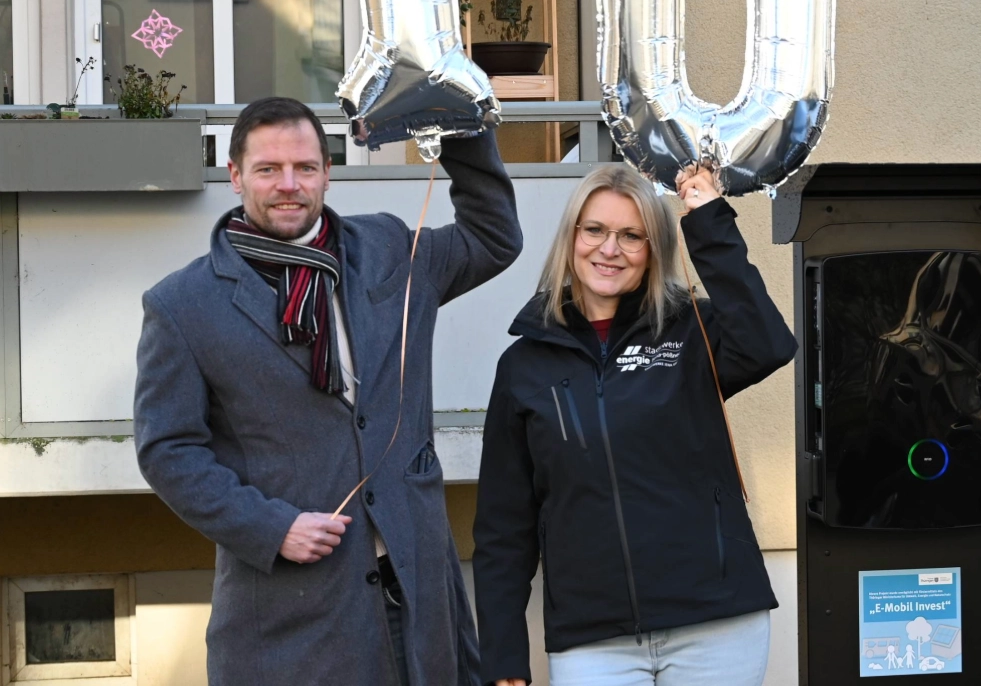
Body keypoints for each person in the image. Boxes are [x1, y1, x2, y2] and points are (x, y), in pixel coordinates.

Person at [134, 96, 522, 685]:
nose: (288, 185)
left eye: (305, 168)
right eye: (268, 169)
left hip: (418, 601)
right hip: (294, 620)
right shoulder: (182, 306)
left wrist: (458, 113)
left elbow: (494, 238)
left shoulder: (390, 249)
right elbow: (168, 450)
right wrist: (270, 527)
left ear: (328, 171)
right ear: (235, 174)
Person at [472, 162, 796, 686]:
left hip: (714, 625)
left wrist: (710, 221)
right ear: (572, 237)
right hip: (593, 638)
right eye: (595, 230)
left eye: (631, 236)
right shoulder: (524, 366)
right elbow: (502, 529)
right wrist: (503, 655)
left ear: (653, 250)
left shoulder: (691, 331)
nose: (609, 249)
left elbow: (769, 344)